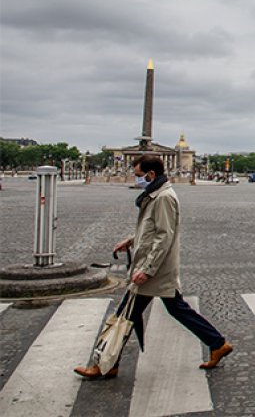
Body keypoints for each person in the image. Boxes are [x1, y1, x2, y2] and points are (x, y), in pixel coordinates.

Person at [75, 155, 232, 379]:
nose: (136, 179)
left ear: (151, 174)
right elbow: (153, 229)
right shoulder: (155, 195)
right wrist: (131, 240)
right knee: (170, 309)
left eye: (139, 175)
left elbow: (163, 236)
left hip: (154, 270)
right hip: (155, 268)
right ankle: (218, 343)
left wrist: (147, 269)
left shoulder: (163, 197)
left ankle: (105, 364)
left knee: (125, 315)